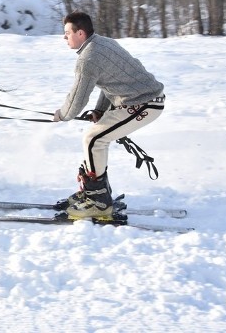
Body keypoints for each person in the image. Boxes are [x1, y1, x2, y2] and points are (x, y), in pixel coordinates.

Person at [52, 11, 165, 220]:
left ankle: (99, 203)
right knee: (93, 138)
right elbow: (110, 82)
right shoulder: (102, 43)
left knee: (93, 139)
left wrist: (63, 114)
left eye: (67, 32)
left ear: (81, 33)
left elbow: (78, 98)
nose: (64, 37)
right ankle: (92, 192)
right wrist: (100, 110)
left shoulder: (88, 58)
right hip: (137, 100)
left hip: (145, 102)